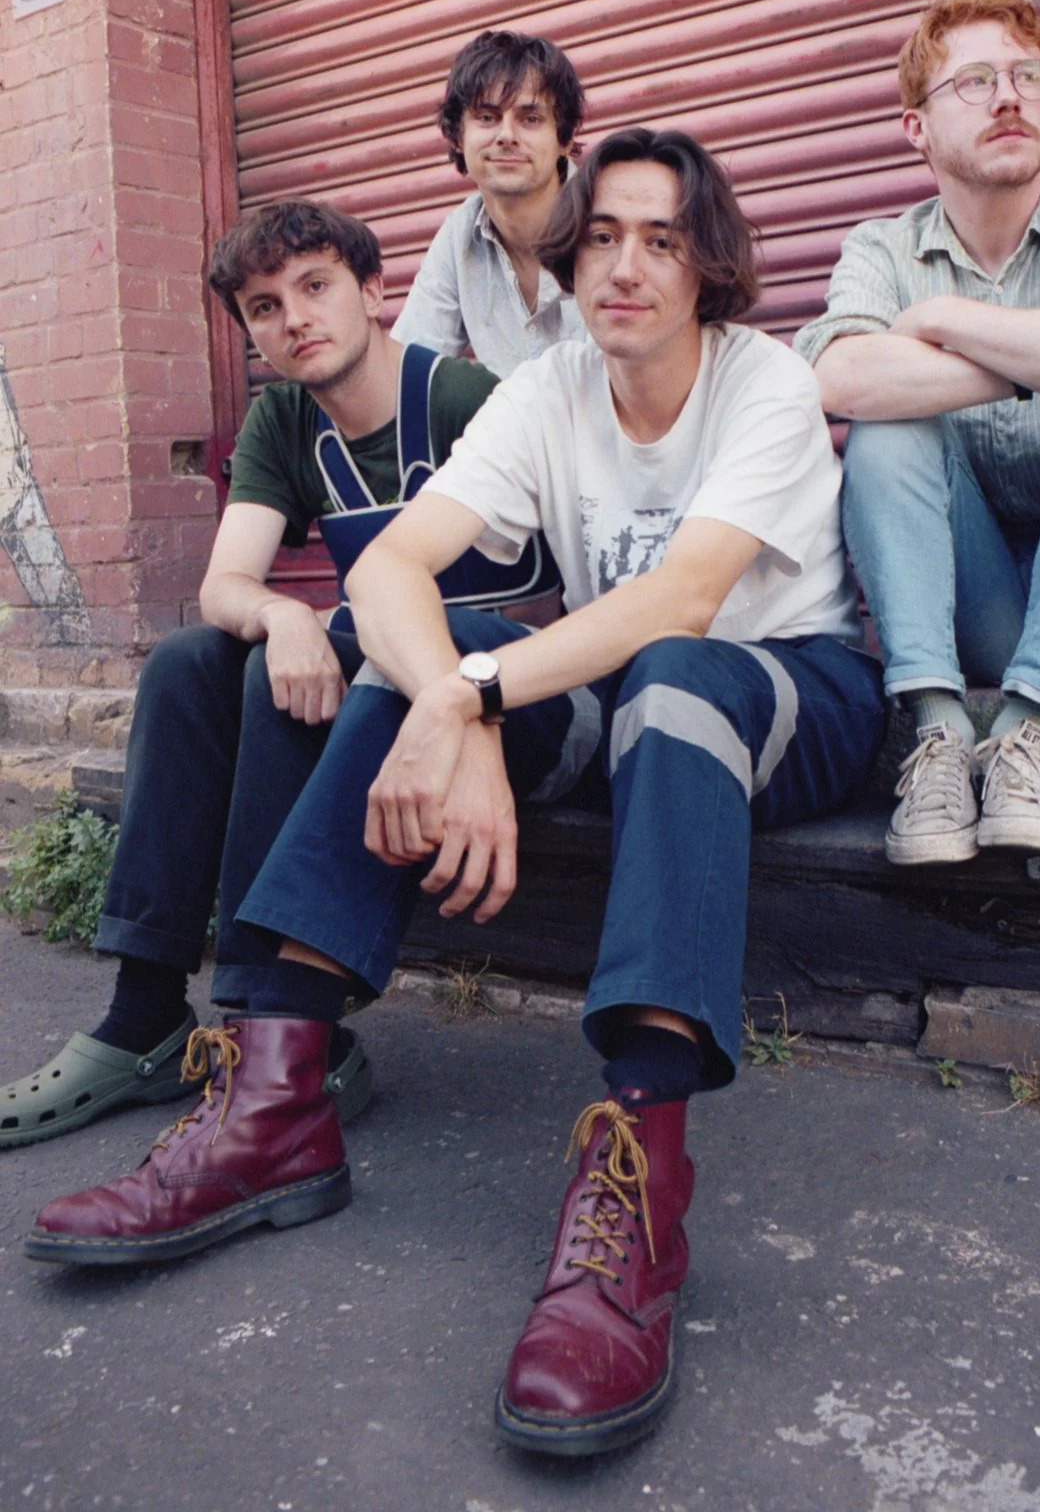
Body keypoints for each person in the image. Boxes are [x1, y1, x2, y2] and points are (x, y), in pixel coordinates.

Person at [25, 130, 886, 1461]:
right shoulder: (546, 391)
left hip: (790, 692)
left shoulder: (762, 380)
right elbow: (385, 574)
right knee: (401, 655)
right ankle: (275, 1098)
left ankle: (637, 1183)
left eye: (662, 239)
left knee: (667, 675)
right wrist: (451, 703)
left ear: (709, 265)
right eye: (602, 238)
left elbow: (682, 601)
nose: (626, 265)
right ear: (569, 259)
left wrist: (472, 695)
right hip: (619, 686)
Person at [0, 199, 539, 1150]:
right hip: (381, 681)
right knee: (192, 662)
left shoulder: (464, 399)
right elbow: (226, 585)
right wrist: (285, 614)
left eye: (315, 286)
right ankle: (143, 1014)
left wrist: (428, 676)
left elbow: (561, 605)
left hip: (505, 691)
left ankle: (279, 1026)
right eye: (263, 306)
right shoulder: (285, 421)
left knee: (288, 669)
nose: (294, 318)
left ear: (374, 292)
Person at [794, 0, 1040, 866]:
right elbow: (837, 376)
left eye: (1026, 76)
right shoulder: (880, 248)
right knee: (888, 429)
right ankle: (939, 738)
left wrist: (941, 321)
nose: (1008, 97)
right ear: (916, 127)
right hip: (976, 613)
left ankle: (1026, 740)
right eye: (974, 82)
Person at [393, 29, 587, 374]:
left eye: (530, 119)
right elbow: (405, 370)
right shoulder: (459, 237)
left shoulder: (609, 220)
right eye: (487, 117)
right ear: (457, 136)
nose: (507, 136)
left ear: (565, 138)